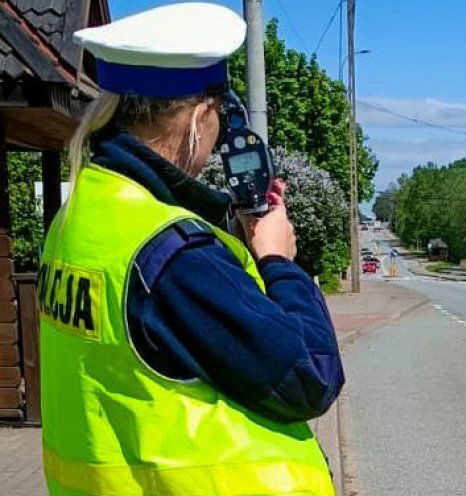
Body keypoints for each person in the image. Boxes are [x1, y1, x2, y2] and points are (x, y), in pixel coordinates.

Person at [38, 4, 342, 495]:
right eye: (220, 116)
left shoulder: (79, 218)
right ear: (201, 117)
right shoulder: (173, 256)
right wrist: (277, 261)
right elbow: (311, 374)